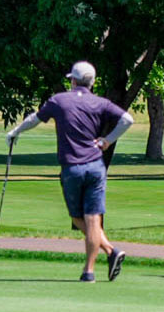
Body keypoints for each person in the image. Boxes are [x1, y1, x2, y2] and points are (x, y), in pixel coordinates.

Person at [7, 61, 135, 282]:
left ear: (73, 81)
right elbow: (127, 119)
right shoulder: (100, 102)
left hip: (72, 168)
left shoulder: (59, 100)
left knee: (78, 218)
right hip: (96, 166)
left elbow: (34, 119)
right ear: (92, 82)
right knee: (93, 219)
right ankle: (95, 266)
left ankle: (104, 256)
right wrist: (107, 140)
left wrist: (15, 132)